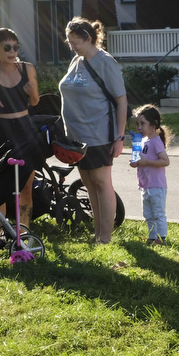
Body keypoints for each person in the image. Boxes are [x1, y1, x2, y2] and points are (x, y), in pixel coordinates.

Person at [58, 17, 128, 244]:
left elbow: (121, 100)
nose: (72, 46)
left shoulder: (105, 62)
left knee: (101, 182)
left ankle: (105, 237)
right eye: (69, 42)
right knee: (89, 184)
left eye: (75, 42)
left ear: (88, 38)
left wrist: (119, 137)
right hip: (76, 138)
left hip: (99, 134)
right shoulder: (77, 61)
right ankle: (97, 233)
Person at [0, 28, 40, 229]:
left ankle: (24, 233)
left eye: (15, 47)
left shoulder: (27, 69)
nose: (12, 52)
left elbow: (35, 101)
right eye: (7, 47)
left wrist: (32, 92)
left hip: (24, 128)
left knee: (26, 185)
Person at [129, 105, 170, 245]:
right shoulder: (142, 141)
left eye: (143, 124)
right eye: (137, 124)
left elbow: (165, 161)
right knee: (148, 214)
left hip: (156, 185)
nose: (139, 127)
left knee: (158, 213)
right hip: (145, 185)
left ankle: (162, 238)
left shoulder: (156, 141)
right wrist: (136, 163)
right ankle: (152, 237)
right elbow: (141, 160)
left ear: (153, 124)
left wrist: (147, 162)